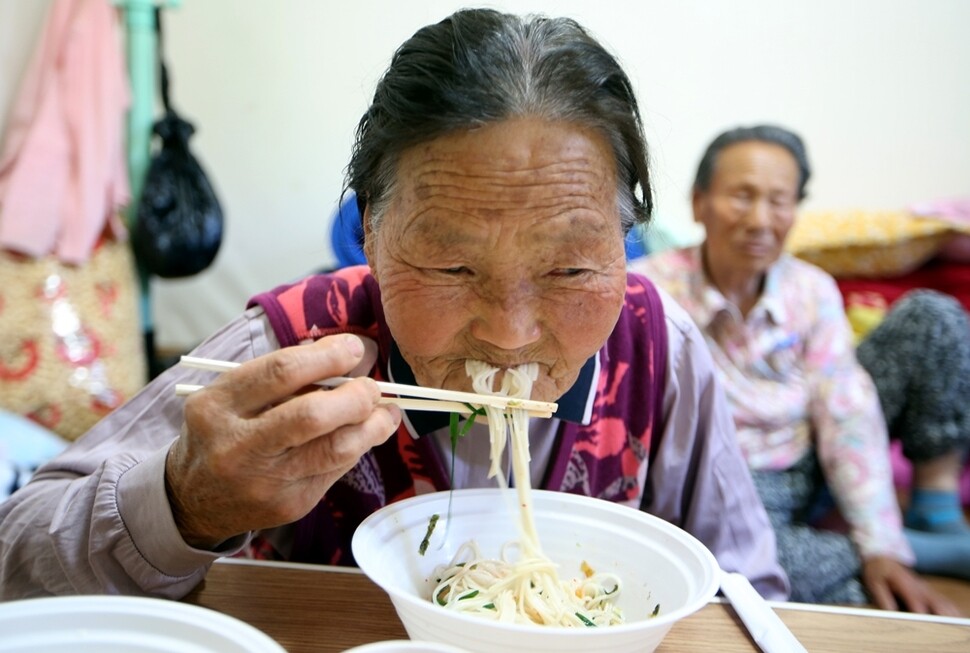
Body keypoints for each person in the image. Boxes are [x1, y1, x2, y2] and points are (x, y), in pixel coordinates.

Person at [0, 10, 788, 600]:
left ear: (626, 244)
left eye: (569, 267)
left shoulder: (660, 349)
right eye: (451, 263)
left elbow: (749, 590)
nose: (510, 331)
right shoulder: (291, 348)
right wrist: (184, 501)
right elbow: (16, 562)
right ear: (369, 232)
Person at [632, 124, 969, 615]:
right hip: (717, 486)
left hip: (805, 466)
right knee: (732, 573)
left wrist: (882, 545)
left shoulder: (812, 290)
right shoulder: (647, 291)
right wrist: (873, 553)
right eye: (741, 197)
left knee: (933, 319)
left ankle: (933, 517)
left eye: (779, 201)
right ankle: (905, 553)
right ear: (699, 202)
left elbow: (846, 411)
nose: (760, 219)